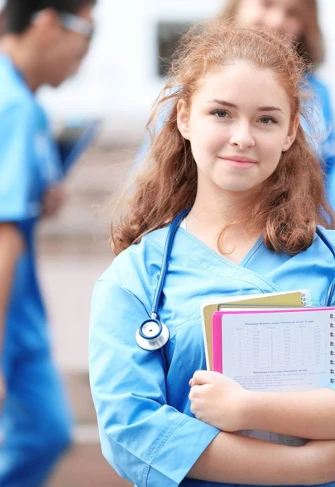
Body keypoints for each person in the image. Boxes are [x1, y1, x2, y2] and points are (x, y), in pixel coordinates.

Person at [89, 23, 335, 487]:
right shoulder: (135, 279)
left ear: (290, 132)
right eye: (221, 113)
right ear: (185, 117)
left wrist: (248, 408)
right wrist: (301, 469)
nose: (242, 137)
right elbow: (131, 430)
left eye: (266, 119)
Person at [0, 0, 95, 485]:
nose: (85, 50)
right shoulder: (12, 107)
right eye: (88, 31)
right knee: (42, 430)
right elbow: (3, 233)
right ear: (46, 23)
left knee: (46, 430)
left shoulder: (26, 104)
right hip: (8, 310)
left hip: (19, 305)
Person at [138, 0, 335, 177]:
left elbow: (328, 174)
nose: (277, 20)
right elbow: (151, 175)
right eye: (266, 3)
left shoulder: (317, 95)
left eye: (292, 13)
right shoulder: (192, 84)